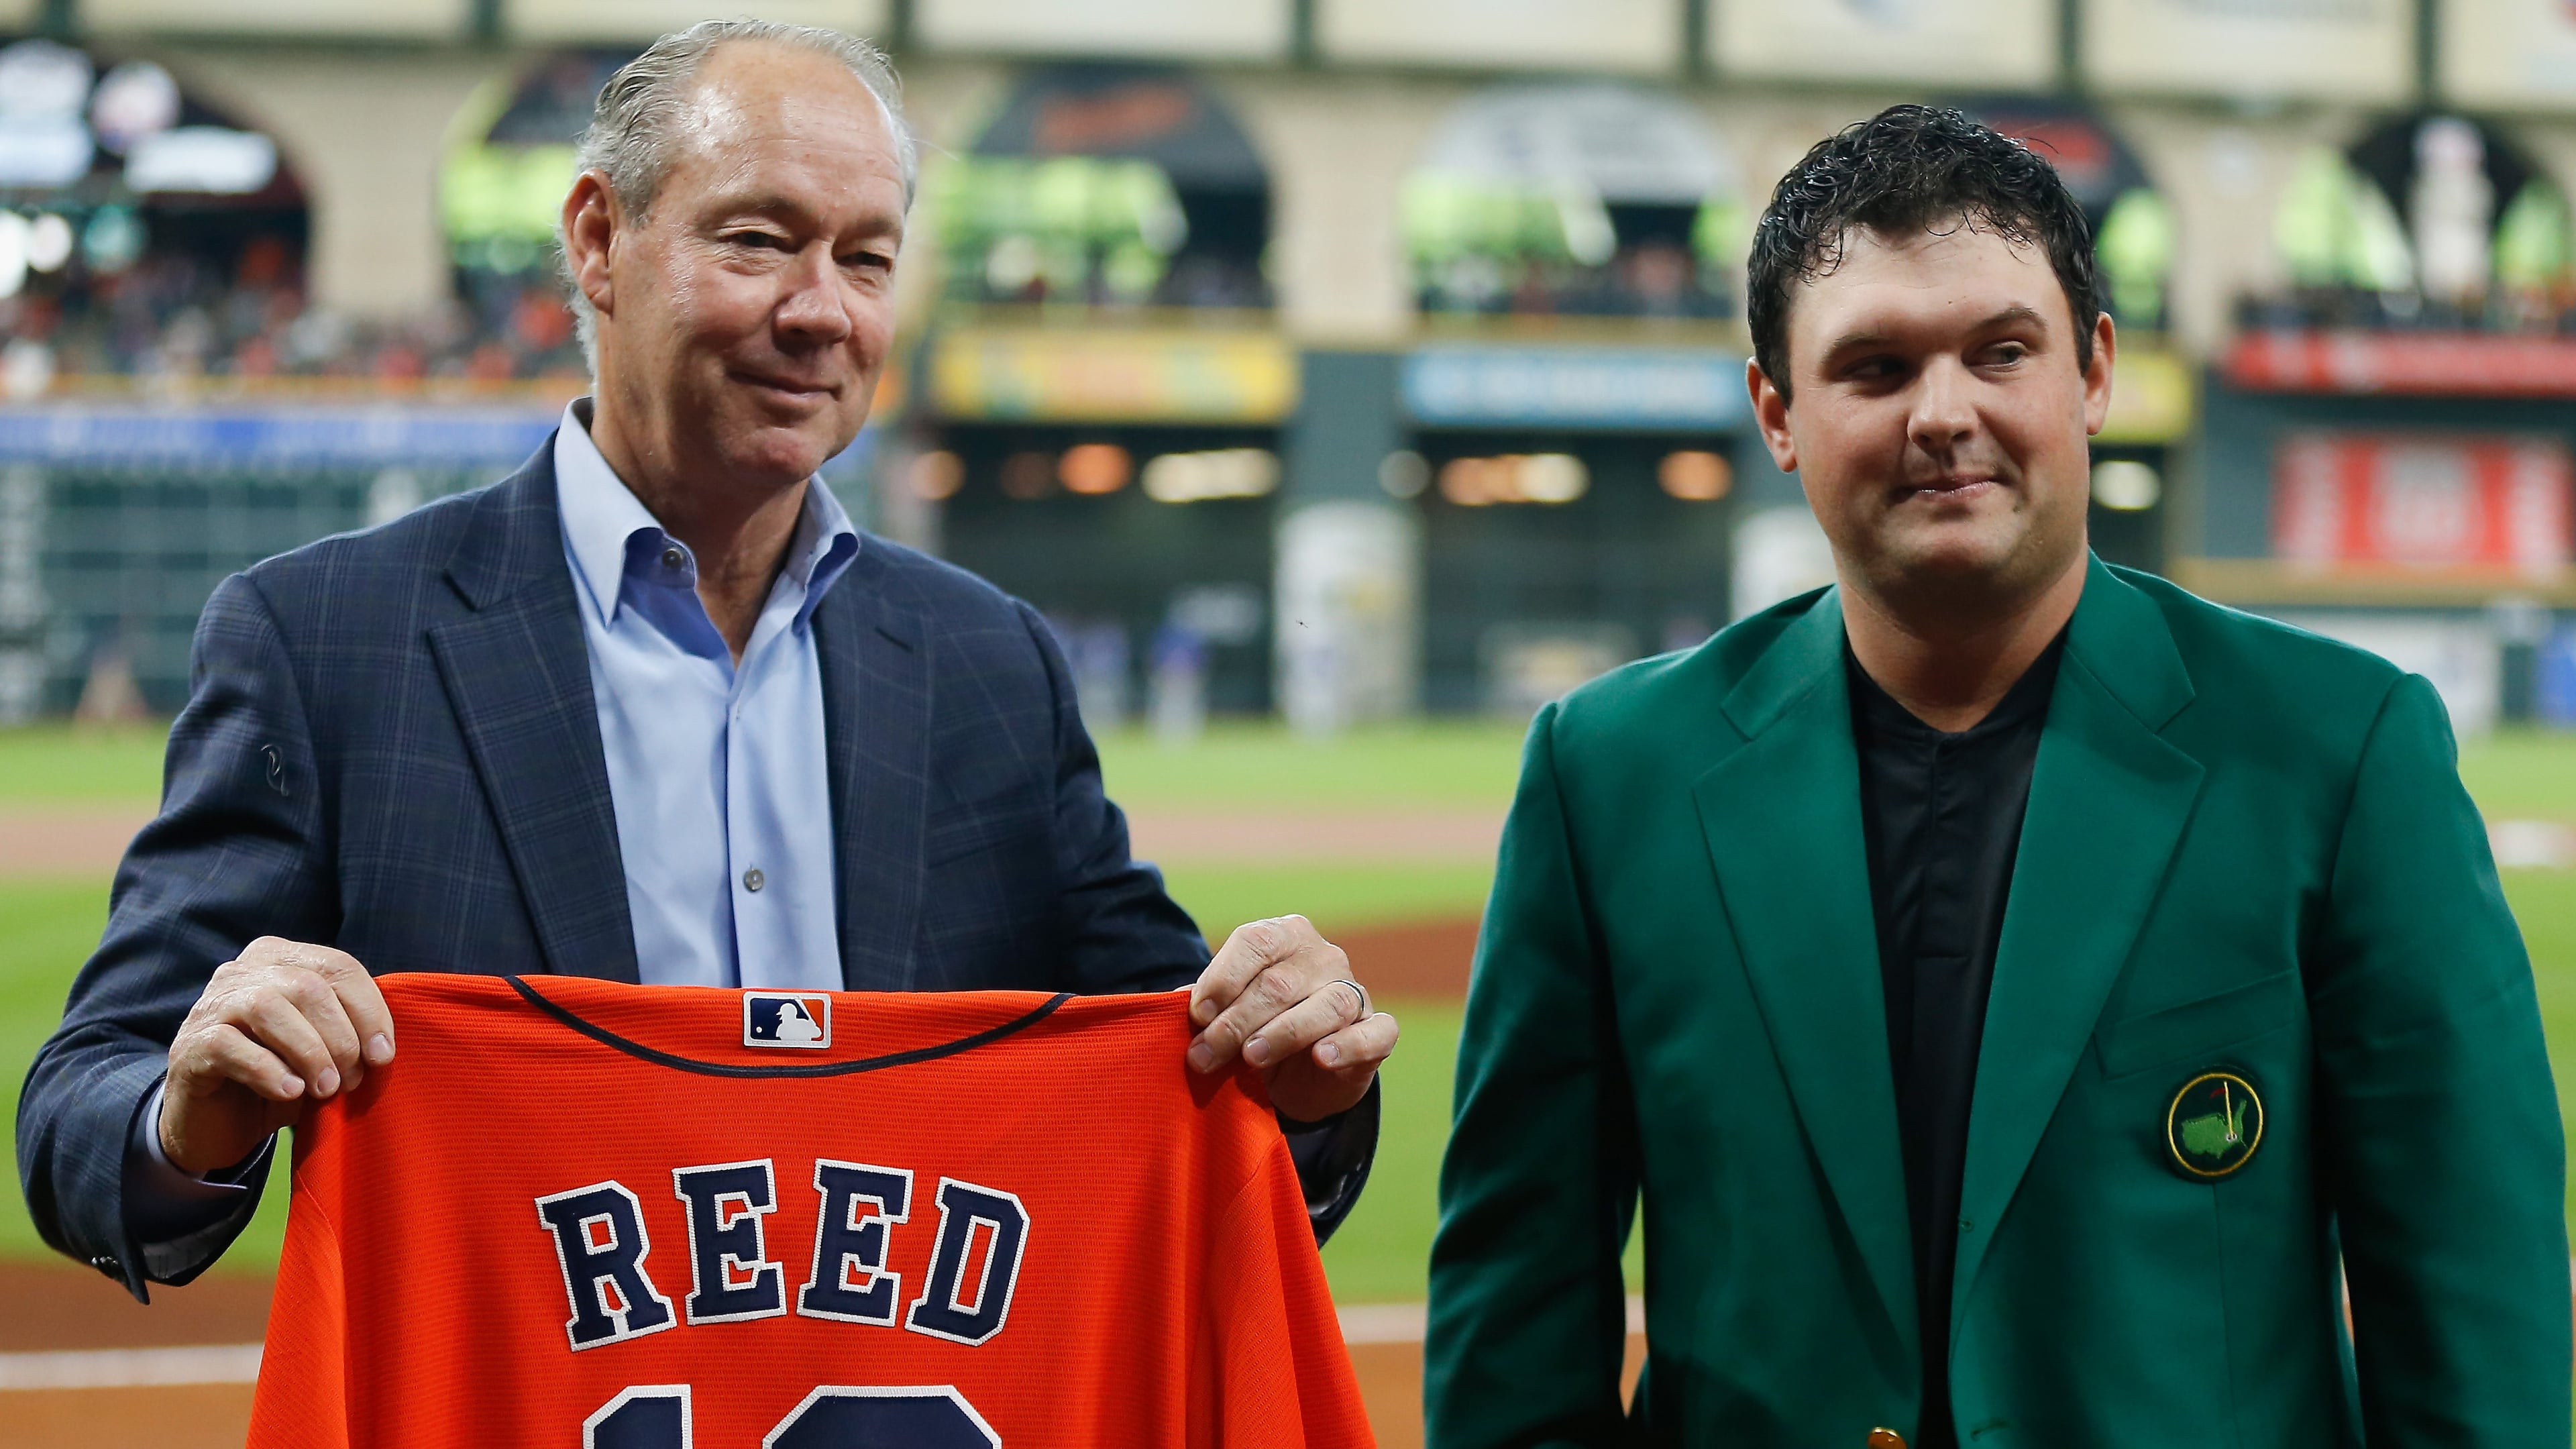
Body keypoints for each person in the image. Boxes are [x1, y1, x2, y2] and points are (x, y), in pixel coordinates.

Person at [17, 21, 1395, 1303]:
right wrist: (191, 1109)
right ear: (598, 240)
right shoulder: (329, 641)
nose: (822, 312)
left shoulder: (986, 664)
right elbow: (84, 1112)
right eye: (759, 240)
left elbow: (1195, 1074)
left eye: (866, 259)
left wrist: (1303, 1066)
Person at [1426, 105, 2566, 1448]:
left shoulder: (2339, 750)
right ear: (1778, 413)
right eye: (1877, 366)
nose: (1945, 412)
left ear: (2091, 373)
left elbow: (2472, 1311)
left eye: (1999, 351)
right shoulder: (1609, 778)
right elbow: (1516, 1332)